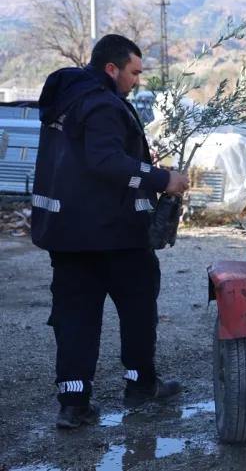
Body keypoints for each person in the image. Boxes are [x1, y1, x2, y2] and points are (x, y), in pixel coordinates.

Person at [30, 34, 191, 429]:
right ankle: (140, 385)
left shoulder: (67, 101)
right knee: (137, 309)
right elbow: (105, 161)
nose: (137, 80)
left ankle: (74, 404)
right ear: (111, 68)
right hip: (114, 235)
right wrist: (162, 178)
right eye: (134, 72)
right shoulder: (102, 103)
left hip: (66, 235)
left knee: (75, 318)